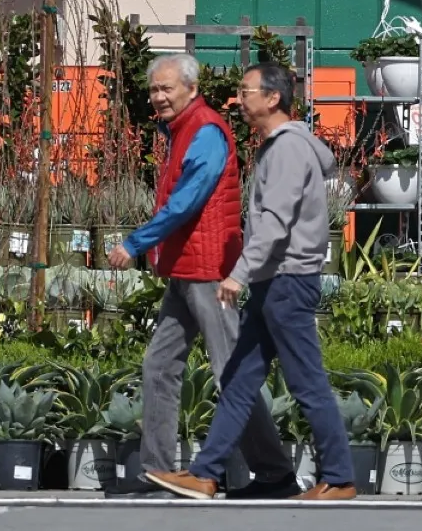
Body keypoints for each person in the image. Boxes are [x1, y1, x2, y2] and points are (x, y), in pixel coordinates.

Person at [145, 62, 357, 502]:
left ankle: (338, 477)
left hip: (287, 281)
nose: (239, 99)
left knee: (307, 382)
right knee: (240, 381)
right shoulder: (278, 147)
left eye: (246, 91)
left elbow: (276, 222)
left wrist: (238, 274)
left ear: (273, 98)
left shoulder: (287, 150)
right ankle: (205, 474)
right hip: (273, 282)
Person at [105, 54, 297, 499]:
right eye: (153, 89)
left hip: (209, 271)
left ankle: (274, 472)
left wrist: (135, 243)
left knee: (231, 371)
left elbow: (188, 200)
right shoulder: (181, 129)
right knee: (159, 366)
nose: (158, 97)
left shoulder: (206, 129)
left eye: (166, 88)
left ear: (192, 89)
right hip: (186, 268)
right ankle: (155, 470)